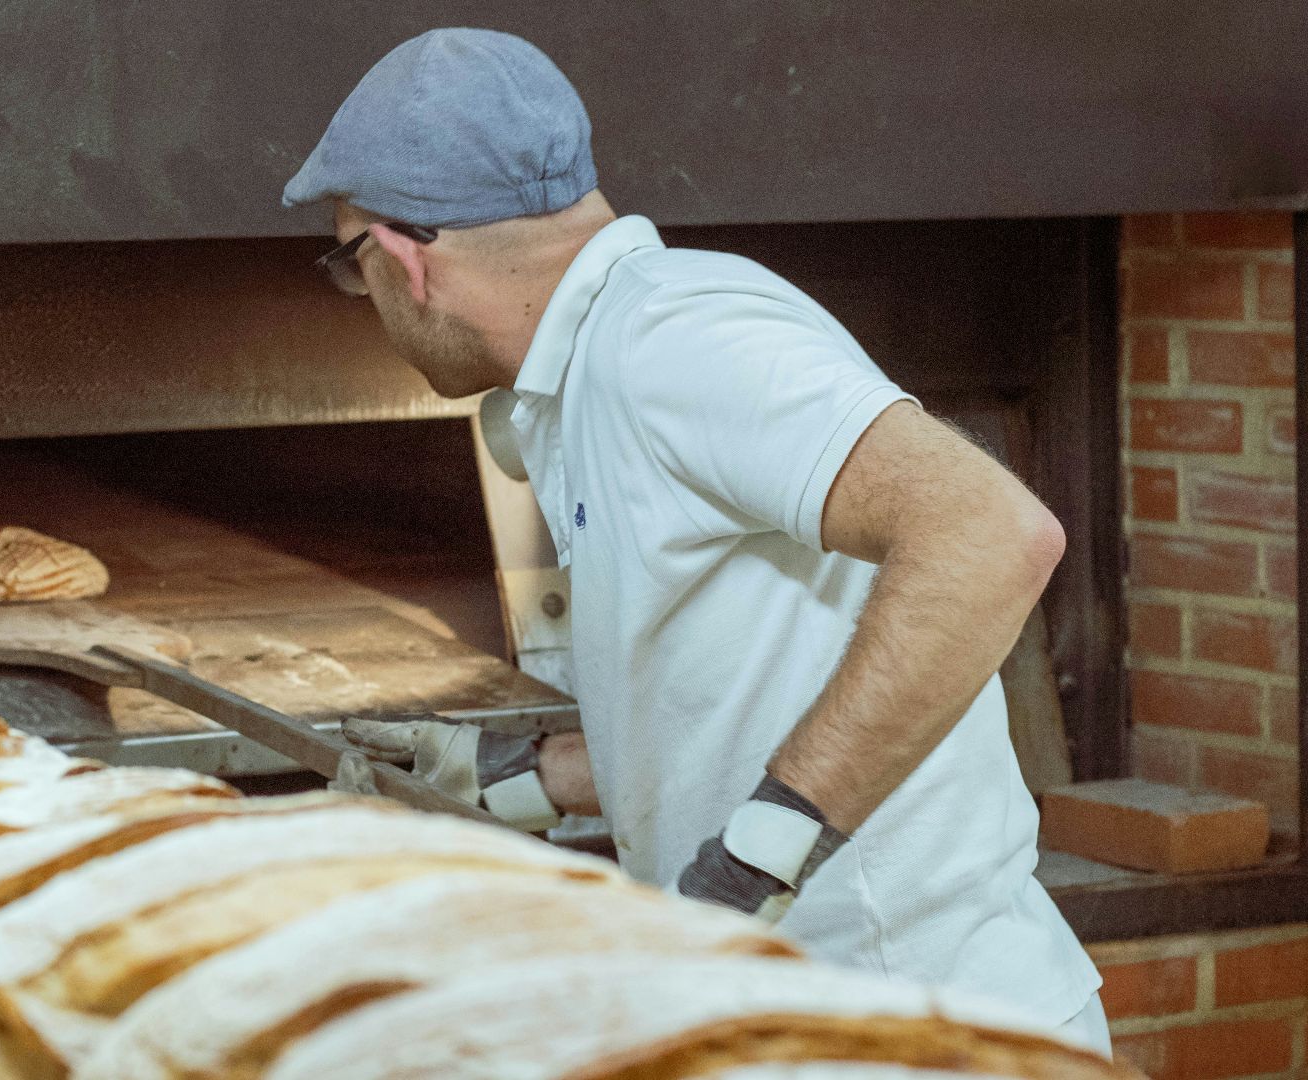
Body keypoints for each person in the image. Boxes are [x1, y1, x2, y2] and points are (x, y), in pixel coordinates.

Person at [282, 27, 1108, 1055]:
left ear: (405, 260)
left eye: (350, 263)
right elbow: (739, 686)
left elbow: (993, 531)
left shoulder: (674, 339)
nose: (366, 298)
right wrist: (516, 773)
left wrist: (755, 860)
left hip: (911, 1030)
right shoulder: (593, 367)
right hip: (806, 1024)